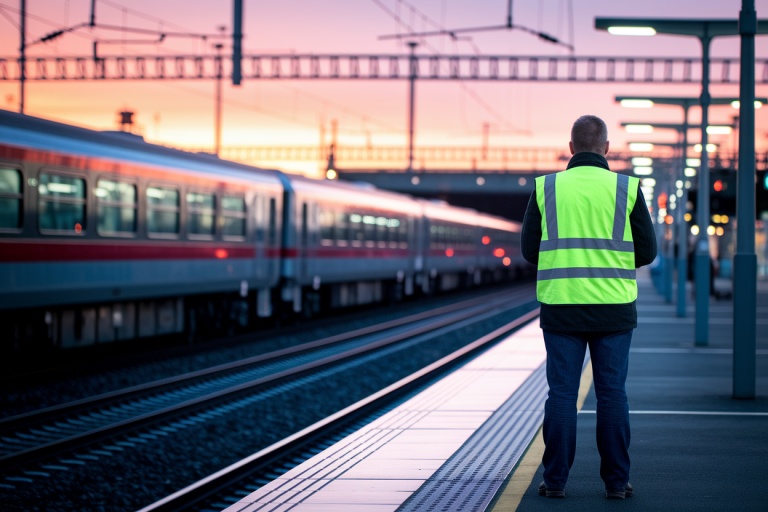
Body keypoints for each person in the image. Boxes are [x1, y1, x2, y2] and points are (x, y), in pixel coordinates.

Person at [521, 115, 657, 500]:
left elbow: (530, 250)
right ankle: (617, 483)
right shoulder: (626, 188)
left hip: (561, 306)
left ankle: (555, 482)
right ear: (607, 149)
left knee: (562, 394)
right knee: (612, 394)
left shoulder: (547, 187)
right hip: (614, 308)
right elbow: (647, 251)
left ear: (570, 148)